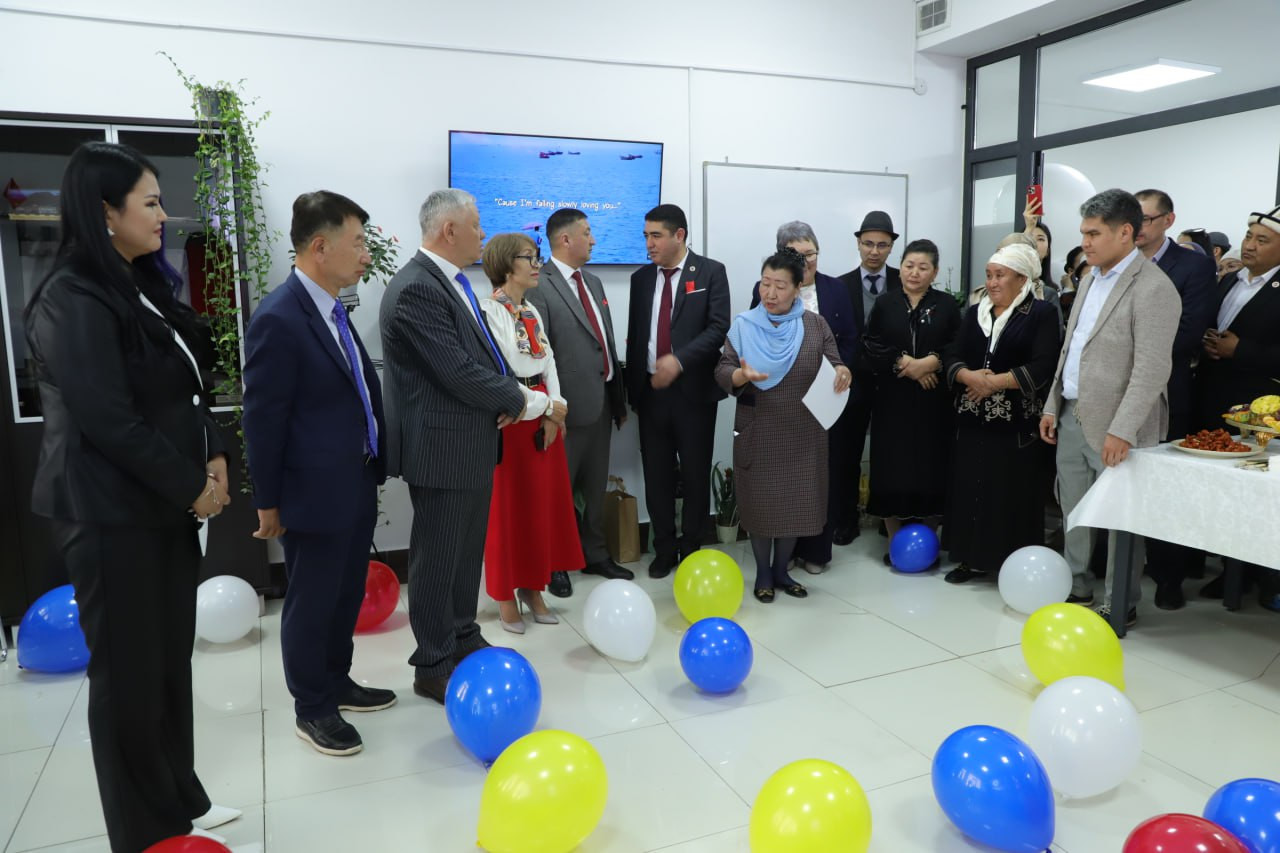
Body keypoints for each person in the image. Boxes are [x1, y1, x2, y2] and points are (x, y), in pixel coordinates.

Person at [24, 141, 240, 849]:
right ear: (105, 212)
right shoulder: (71, 297)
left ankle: (177, 798)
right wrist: (192, 487)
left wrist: (214, 454)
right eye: (149, 201)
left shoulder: (137, 283)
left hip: (161, 508)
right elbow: (108, 419)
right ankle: (143, 829)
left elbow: (184, 390)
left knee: (167, 665)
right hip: (110, 513)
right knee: (127, 678)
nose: (163, 214)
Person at [380, 189, 554, 704]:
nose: (483, 235)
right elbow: (456, 371)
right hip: (442, 449)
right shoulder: (417, 288)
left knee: (462, 555)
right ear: (449, 230)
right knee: (437, 560)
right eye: (476, 226)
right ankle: (433, 662)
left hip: (470, 443)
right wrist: (525, 400)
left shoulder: (451, 282)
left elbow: (480, 360)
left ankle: (462, 636)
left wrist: (507, 397)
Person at [242, 191, 395, 756]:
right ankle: (312, 707)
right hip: (311, 490)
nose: (366, 254)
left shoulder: (333, 308)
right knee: (311, 600)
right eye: (358, 242)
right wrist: (268, 500)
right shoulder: (279, 317)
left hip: (354, 479)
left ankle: (337, 679)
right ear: (320, 247)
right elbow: (264, 419)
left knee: (345, 592)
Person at [1040, 189, 1181, 629]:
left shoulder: (1154, 288)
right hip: (1072, 412)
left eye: (1094, 233)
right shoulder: (1088, 280)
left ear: (1125, 233)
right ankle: (1077, 583)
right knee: (1074, 507)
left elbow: (1152, 370)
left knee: (1121, 517)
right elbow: (1071, 348)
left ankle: (1120, 600)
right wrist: (1052, 404)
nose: (1085, 242)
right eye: (1083, 232)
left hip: (1120, 425)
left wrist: (1123, 429)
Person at [715, 248, 851, 601]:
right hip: (759, 429)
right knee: (762, 506)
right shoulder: (744, 325)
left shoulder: (815, 325)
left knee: (796, 505)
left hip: (803, 433)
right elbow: (723, 369)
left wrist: (842, 371)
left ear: (797, 288)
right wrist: (740, 375)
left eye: (780, 286)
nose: (770, 293)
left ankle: (781, 571)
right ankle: (763, 572)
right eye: (765, 284)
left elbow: (835, 361)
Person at [478, 233, 584, 631]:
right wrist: (545, 406)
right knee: (508, 513)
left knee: (539, 510)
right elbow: (500, 373)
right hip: (511, 420)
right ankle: (505, 595)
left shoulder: (531, 310)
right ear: (508, 266)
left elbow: (548, 361)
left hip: (541, 420)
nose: (537, 264)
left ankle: (533, 588)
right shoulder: (488, 311)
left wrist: (557, 409)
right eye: (529, 257)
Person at [526, 209, 631, 599]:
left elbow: (606, 343)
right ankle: (555, 563)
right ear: (565, 239)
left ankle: (595, 554)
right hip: (564, 411)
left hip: (601, 403)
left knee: (595, 485)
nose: (594, 239)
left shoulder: (594, 281)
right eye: (587, 232)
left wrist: (618, 401)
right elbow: (539, 354)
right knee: (558, 491)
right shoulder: (540, 284)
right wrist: (550, 409)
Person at [943, 243, 1061, 583]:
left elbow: (1043, 365)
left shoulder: (1040, 313)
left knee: (1008, 493)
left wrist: (994, 383)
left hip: (1015, 426)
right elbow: (953, 354)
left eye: (1000, 275)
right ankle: (968, 559)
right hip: (972, 421)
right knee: (970, 489)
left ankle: (1011, 564)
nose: (992, 283)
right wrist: (968, 377)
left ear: (1022, 279)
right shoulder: (975, 313)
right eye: (989, 275)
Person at [625, 204, 731, 578]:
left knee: (696, 473)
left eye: (656, 236)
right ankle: (665, 548)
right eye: (646, 236)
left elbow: (718, 328)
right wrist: (631, 392)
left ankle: (691, 547)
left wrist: (680, 360)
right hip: (652, 393)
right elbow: (636, 336)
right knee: (657, 476)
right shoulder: (641, 279)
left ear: (679, 235)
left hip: (693, 393)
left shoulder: (710, 272)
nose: (649, 244)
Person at [748, 222, 857, 573]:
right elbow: (756, 340)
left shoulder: (836, 289)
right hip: (781, 402)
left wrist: (839, 371)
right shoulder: (765, 291)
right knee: (787, 480)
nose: (806, 261)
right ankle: (786, 553)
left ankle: (817, 552)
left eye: (811, 253)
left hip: (825, 398)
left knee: (821, 478)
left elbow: (850, 340)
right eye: (797, 255)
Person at [1132, 189, 1218, 610]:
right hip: (1118, 390)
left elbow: (1188, 331)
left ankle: (1169, 576)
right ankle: (1115, 567)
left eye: (1146, 219)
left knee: (1163, 487)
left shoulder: (1192, 266)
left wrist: (1129, 355)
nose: (1137, 228)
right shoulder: (1121, 261)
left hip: (1168, 389)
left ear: (1168, 220)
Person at [1193, 206, 1280, 611]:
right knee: (1219, 494)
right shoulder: (1229, 280)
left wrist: (1240, 350)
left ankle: (1261, 576)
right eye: (1248, 236)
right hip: (1213, 399)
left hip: (1260, 414)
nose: (1250, 246)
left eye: (1262, 240)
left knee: (1255, 497)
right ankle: (1230, 569)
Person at [861, 238, 962, 557]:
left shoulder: (947, 305)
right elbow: (871, 344)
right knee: (892, 467)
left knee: (931, 467)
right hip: (893, 401)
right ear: (901, 267)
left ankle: (927, 542)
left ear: (934, 272)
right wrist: (907, 365)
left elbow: (958, 345)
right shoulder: (885, 303)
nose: (914, 273)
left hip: (934, 402)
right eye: (909, 265)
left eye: (923, 267)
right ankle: (895, 542)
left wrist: (933, 362)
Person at [835, 210, 902, 544]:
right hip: (853, 381)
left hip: (893, 380)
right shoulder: (839, 285)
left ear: (891, 247)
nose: (874, 251)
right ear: (858, 244)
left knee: (890, 452)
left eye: (882, 245)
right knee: (847, 452)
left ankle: (886, 519)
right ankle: (845, 520)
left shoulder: (904, 281)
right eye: (868, 244)